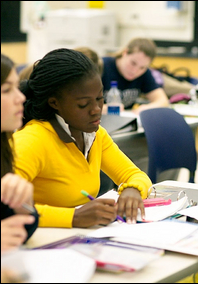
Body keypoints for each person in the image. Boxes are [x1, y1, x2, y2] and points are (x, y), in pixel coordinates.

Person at [13, 48, 153, 228]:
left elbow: (133, 174)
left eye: (99, 98)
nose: (96, 109)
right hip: (37, 244)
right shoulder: (32, 141)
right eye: (83, 104)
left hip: (77, 239)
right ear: (54, 102)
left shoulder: (94, 134)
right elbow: (7, 207)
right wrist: (74, 217)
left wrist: (133, 190)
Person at [1, 53, 39, 252]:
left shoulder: (5, 148)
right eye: (7, 90)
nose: (21, 97)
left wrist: (23, 205)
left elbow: (24, 228)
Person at [101, 37, 169, 114]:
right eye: (133, 63)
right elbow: (85, 105)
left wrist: (147, 108)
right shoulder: (102, 66)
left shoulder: (145, 73)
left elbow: (163, 101)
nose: (135, 71)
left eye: (142, 67)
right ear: (125, 52)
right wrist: (106, 109)